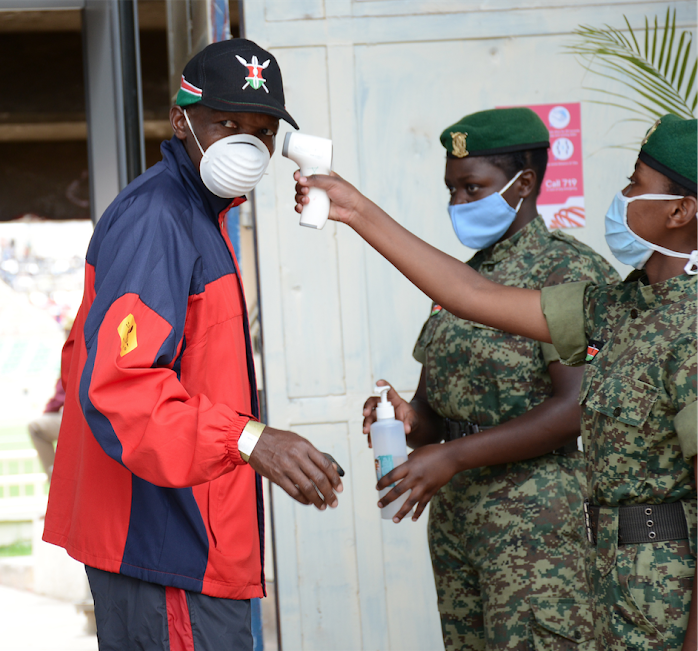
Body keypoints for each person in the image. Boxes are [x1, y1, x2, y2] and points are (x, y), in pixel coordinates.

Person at [295, 113, 696, 650]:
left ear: (680, 209)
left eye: (634, 183)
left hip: (659, 583)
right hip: (610, 578)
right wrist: (355, 210)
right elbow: (474, 296)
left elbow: (568, 404)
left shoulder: (687, 326)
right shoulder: (619, 309)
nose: (621, 195)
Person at [43, 39, 344, 651]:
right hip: (165, 545)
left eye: (260, 132)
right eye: (226, 123)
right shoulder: (160, 219)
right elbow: (123, 389)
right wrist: (251, 438)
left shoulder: (197, 215)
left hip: (188, 542)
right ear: (181, 120)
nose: (244, 144)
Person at [357, 107, 619, 650]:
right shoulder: (462, 280)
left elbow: (575, 408)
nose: (458, 203)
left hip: (539, 528)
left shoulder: (565, 272)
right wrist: (407, 419)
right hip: (460, 521)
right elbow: (435, 416)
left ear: (523, 183)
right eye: (452, 190)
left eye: (472, 188)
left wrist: (453, 456)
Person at [28, 376, 64, 480]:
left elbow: (60, 397)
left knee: (35, 427)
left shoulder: (76, 360)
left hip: (89, 420)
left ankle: (57, 480)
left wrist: (48, 411)